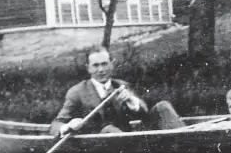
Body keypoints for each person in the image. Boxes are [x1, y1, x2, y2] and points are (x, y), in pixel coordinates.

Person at [50, 46, 184, 136]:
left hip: (128, 142)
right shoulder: (77, 92)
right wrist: (67, 126)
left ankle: (188, 143)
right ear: (88, 68)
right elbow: (56, 124)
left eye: (104, 64)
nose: (101, 70)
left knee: (163, 107)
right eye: (96, 65)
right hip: (100, 147)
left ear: (111, 64)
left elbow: (144, 114)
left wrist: (134, 103)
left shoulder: (121, 85)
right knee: (109, 130)